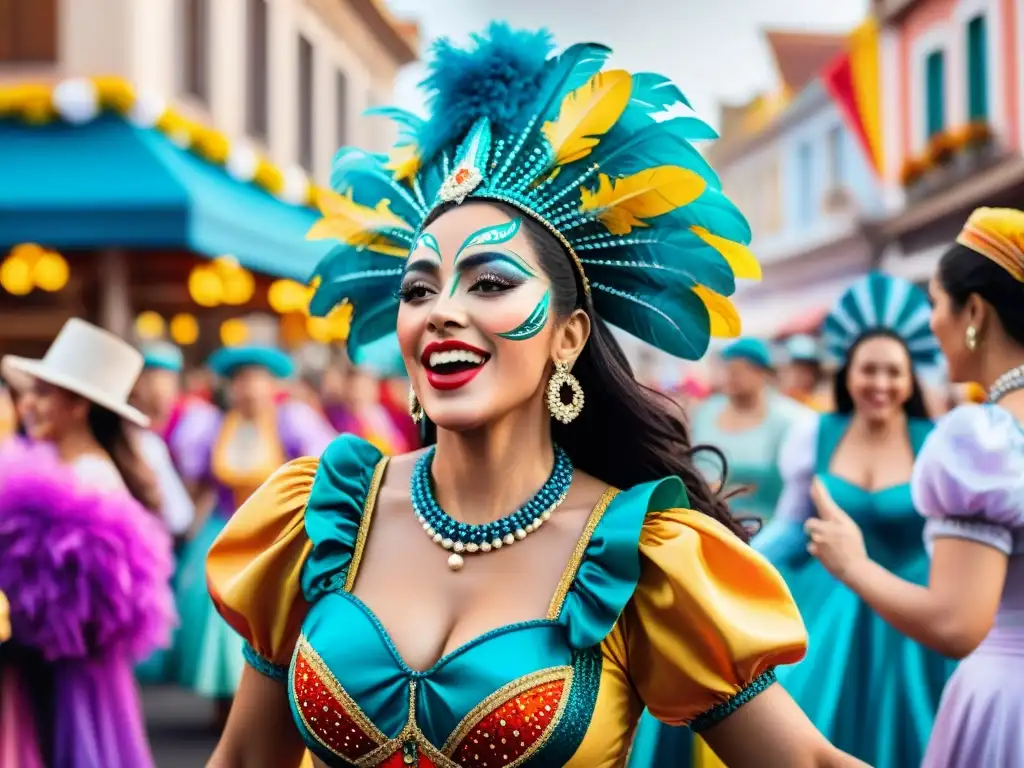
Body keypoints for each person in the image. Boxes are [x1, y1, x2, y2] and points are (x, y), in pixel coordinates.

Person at [204, 24, 866, 768]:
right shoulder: (319, 520)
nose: (442, 311)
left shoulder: (637, 560)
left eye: (490, 283)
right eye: (419, 289)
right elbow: (242, 760)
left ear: (569, 337)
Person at [807, 207, 1024, 767]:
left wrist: (852, 565)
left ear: (973, 310)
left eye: (933, 304)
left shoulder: (983, 437)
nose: (929, 324)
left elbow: (957, 625)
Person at [753, 272, 956, 767]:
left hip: (914, 617)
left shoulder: (941, 443)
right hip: (832, 611)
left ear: (911, 380)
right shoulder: (813, 434)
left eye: (893, 372)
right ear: (847, 373)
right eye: (869, 370)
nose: (880, 384)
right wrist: (738, 567)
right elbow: (791, 527)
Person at [0, 318, 175, 768]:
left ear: (77, 405)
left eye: (42, 394)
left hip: (68, 671)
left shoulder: (89, 477)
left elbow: (85, 608)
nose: (28, 406)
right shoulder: (62, 467)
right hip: (54, 666)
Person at [170, 345, 335, 726]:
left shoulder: (293, 423)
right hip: (224, 528)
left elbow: (320, 473)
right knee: (216, 612)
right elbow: (199, 486)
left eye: (255, 380)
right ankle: (226, 707)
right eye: (240, 381)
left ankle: (275, 708)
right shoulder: (210, 427)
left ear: (271, 385)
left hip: (277, 533)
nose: (247, 390)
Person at [688, 338, 812, 522]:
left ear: (763, 373)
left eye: (740, 370)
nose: (731, 376)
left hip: (768, 525)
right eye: (727, 369)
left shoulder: (791, 419)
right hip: (709, 522)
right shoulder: (705, 412)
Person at [779, 334, 828, 411]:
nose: (804, 377)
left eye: (809, 371)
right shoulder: (777, 404)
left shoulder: (822, 405)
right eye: (798, 370)